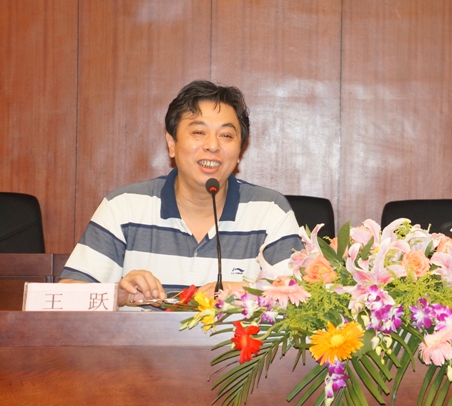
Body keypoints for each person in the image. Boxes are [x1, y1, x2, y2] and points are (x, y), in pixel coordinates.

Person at [59, 80, 302, 307]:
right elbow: (62, 298)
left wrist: (248, 292)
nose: (212, 145)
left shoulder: (270, 211)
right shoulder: (124, 207)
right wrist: (118, 296)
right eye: (198, 133)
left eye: (226, 135)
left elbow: (301, 301)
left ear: (240, 151)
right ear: (172, 144)